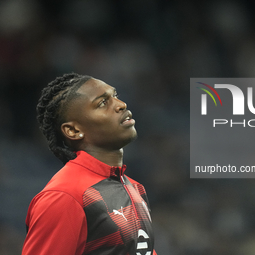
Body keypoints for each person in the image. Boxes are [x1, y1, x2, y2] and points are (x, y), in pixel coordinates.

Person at [22, 73, 156, 255]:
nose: (121, 105)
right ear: (73, 130)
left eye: (115, 95)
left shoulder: (135, 188)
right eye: (102, 103)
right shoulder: (64, 196)